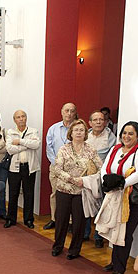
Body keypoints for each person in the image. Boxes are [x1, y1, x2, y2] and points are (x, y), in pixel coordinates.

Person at [101, 121, 138, 274]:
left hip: (134, 199)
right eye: (124, 133)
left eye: (131, 133)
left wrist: (122, 184)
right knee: (116, 229)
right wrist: (107, 180)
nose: (126, 136)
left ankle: (119, 266)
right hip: (117, 196)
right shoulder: (116, 149)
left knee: (125, 232)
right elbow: (105, 167)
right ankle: (114, 261)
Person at [51, 119, 102, 259]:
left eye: (82, 130)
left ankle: (74, 250)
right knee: (61, 220)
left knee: (79, 222)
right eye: (76, 130)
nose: (79, 132)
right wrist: (73, 180)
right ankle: (58, 246)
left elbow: (101, 169)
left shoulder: (91, 150)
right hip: (64, 190)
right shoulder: (64, 149)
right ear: (71, 133)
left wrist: (85, 181)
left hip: (82, 192)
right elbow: (57, 169)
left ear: (86, 133)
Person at [85, 110, 117, 247]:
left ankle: (98, 236)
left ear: (105, 122)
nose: (98, 122)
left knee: (102, 206)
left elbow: (110, 155)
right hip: (86, 176)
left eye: (101, 119)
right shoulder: (85, 135)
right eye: (95, 120)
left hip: (102, 176)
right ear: (90, 122)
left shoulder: (111, 137)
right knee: (85, 205)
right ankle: (85, 233)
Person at [4, 110, 41, 229]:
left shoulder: (33, 131)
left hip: (29, 167)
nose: (21, 119)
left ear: (26, 118)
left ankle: (28, 219)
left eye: (23, 116)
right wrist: (27, 145)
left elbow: (36, 145)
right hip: (14, 168)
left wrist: (19, 142)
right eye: (18, 117)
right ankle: (11, 219)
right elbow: (10, 149)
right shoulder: (10, 132)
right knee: (13, 193)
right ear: (14, 120)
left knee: (29, 194)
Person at [44, 102, 77, 230]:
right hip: (55, 167)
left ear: (75, 113)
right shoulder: (53, 128)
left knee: (70, 195)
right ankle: (54, 219)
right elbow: (49, 148)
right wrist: (56, 163)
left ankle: (68, 222)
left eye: (72, 111)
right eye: (66, 110)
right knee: (55, 194)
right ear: (61, 112)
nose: (69, 113)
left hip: (73, 169)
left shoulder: (78, 128)